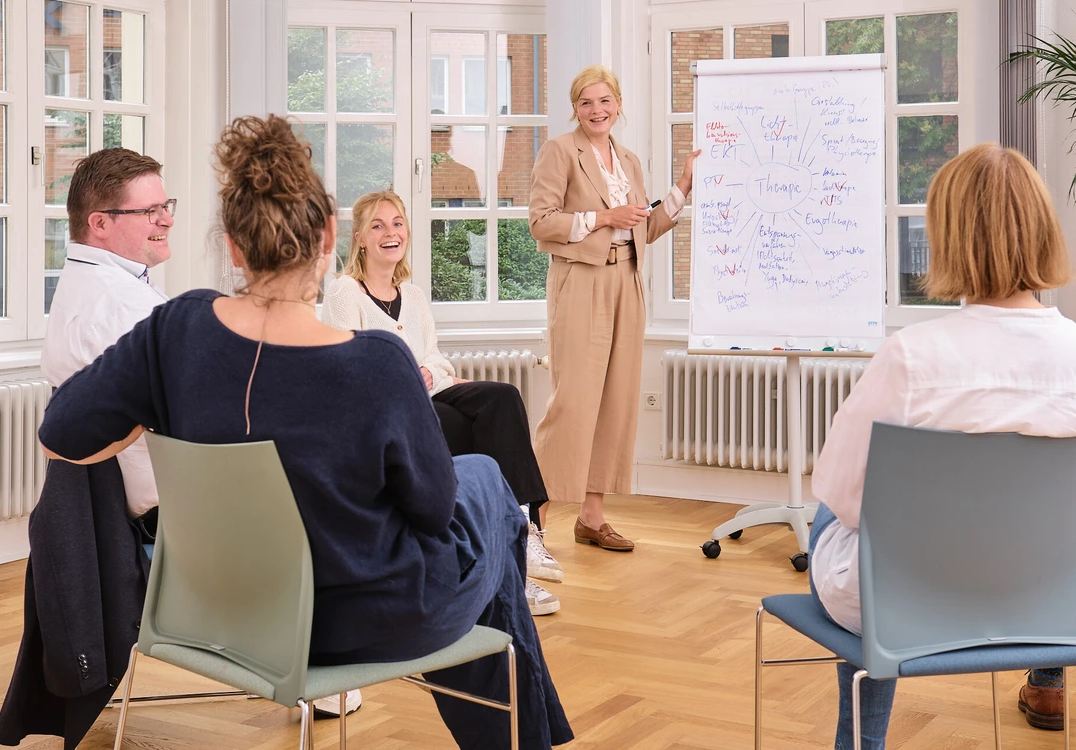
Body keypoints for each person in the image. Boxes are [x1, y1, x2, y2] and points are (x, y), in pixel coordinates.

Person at [36, 114, 573, 750]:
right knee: (483, 481)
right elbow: (432, 512)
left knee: (479, 503)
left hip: (223, 611)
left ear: (233, 247)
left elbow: (61, 435)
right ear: (328, 237)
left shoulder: (174, 329)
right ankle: (526, 738)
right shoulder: (380, 361)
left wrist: (161, 407)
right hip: (366, 622)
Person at [810, 142, 1076, 748]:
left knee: (832, 511)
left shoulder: (912, 357)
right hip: (1056, 599)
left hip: (912, 603)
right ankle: (1048, 676)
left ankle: (863, 743)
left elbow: (845, 498)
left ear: (947, 237)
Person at [324, 190, 563, 617]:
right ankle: (508, 565)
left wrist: (430, 373)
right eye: (377, 225)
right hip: (388, 409)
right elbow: (347, 364)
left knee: (502, 397)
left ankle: (523, 530)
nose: (390, 233)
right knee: (457, 423)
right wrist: (410, 376)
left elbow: (436, 357)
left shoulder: (413, 296)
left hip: (431, 389)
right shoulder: (346, 292)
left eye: (397, 223)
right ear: (359, 237)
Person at [528, 64, 701, 551]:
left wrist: (683, 187)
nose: (596, 110)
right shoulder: (560, 151)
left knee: (615, 403)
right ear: (575, 108)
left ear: (618, 105)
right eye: (586, 102)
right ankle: (531, 524)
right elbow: (541, 222)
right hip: (581, 281)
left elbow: (643, 228)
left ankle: (591, 517)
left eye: (605, 101)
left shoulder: (628, 161)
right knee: (572, 403)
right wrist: (604, 216)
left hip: (628, 280)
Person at [40, 148, 174, 536]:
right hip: (167, 514)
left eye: (166, 206)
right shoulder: (123, 307)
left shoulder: (90, 282)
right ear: (99, 223)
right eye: (150, 211)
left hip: (127, 505)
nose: (167, 220)